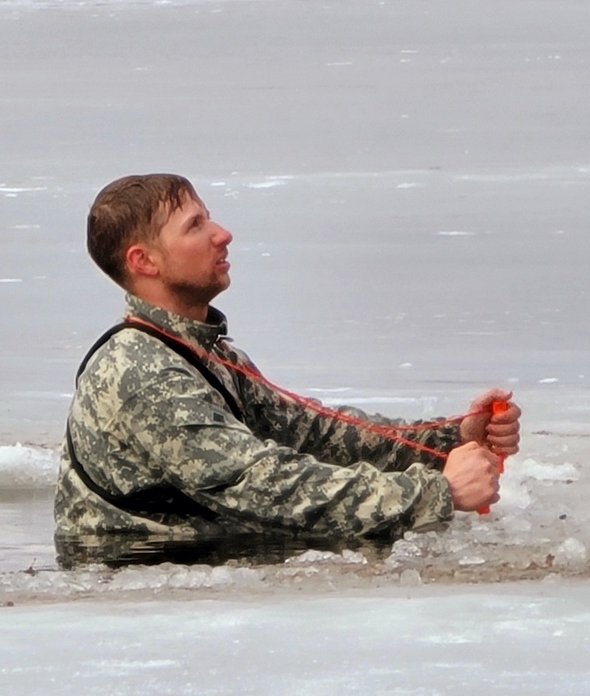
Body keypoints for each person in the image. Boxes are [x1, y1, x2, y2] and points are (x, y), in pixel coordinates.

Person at [54, 173, 521, 566]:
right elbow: (259, 484)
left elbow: (314, 433)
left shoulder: (198, 349)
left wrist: (450, 437)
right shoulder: (141, 369)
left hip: (209, 563)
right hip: (139, 584)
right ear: (144, 261)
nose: (222, 233)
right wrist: (434, 493)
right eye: (195, 226)